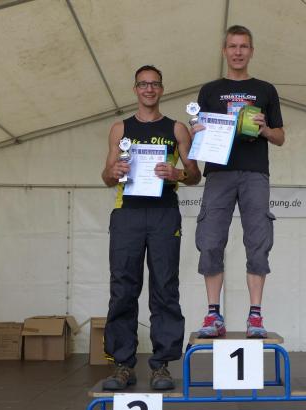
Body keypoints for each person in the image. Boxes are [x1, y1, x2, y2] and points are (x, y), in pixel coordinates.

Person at [100, 65, 202, 390]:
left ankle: (162, 366)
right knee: (123, 288)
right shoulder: (120, 128)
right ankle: (122, 365)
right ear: (135, 89)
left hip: (163, 215)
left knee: (165, 287)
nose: (149, 89)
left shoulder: (177, 129)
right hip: (126, 214)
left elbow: (195, 174)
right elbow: (106, 176)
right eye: (143, 84)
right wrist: (114, 171)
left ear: (161, 89)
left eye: (154, 84)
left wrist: (177, 174)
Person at [193, 25, 285, 339]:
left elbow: (280, 137)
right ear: (224, 51)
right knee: (210, 242)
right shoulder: (209, 90)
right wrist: (197, 133)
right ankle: (213, 314)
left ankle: (255, 316)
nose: (237, 52)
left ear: (251, 51)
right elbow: (199, 129)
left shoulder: (266, 89)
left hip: (255, 173)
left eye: (243, 46)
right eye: (232, 46)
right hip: (218, 173)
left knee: (258, 243)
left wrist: (264, 129)